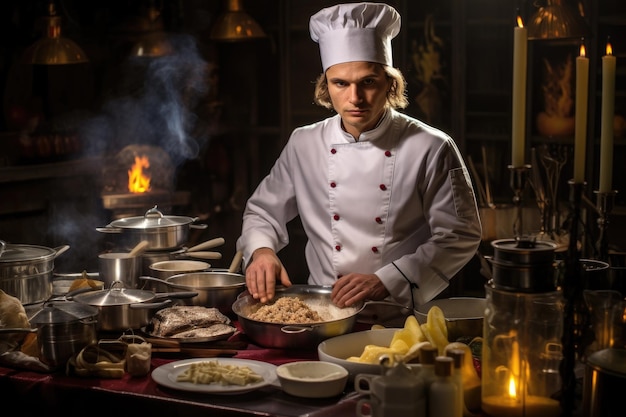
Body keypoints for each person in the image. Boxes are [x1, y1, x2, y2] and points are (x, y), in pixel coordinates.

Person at [236, 2, 482, 310]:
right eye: (341, 83)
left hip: (399, 313)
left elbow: (460, 235)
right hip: (323, 311)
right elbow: (263, 212)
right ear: (326, 85)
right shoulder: (304, 143)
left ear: (390, 83)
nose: (355, 98)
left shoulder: (431, 147)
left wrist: (388, 279)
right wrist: (262, 252)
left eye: (367, 81)